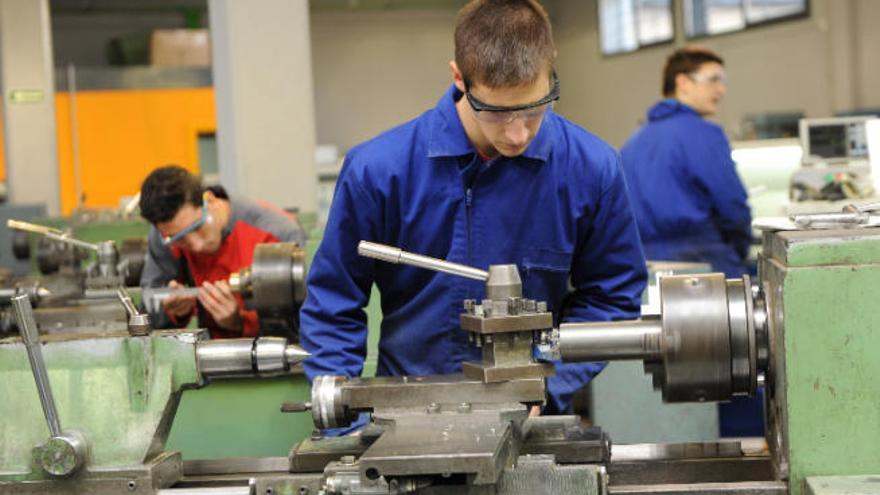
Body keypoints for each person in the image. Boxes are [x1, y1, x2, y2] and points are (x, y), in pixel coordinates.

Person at [300, 0, 647, 416]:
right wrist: (343, 421)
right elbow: (333, 303)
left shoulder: (591, 170)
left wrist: (545, 380)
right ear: (459, 78)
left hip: (531, 422)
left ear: (551, 67)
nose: (518, 135)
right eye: (497, 113)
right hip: (403, 416)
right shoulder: (378, 171)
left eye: (535, 108)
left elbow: (612, 298)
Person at [620, 47, 752, 278]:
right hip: (703, 262)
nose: (721, 90)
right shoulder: (704, 134)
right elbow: (732, 206)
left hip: (643, 266)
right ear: (683, 82)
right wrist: (738, 250)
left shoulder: (633, 142)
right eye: (713, 80)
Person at [139, 165, 307, 339]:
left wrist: (241, 322)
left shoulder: (278, 234)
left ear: (209, 200)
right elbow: (145, 316)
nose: (196, 246)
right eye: (180, 239)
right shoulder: (166, 236)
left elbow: (304, 325)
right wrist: (174, 312)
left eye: (198, 228)